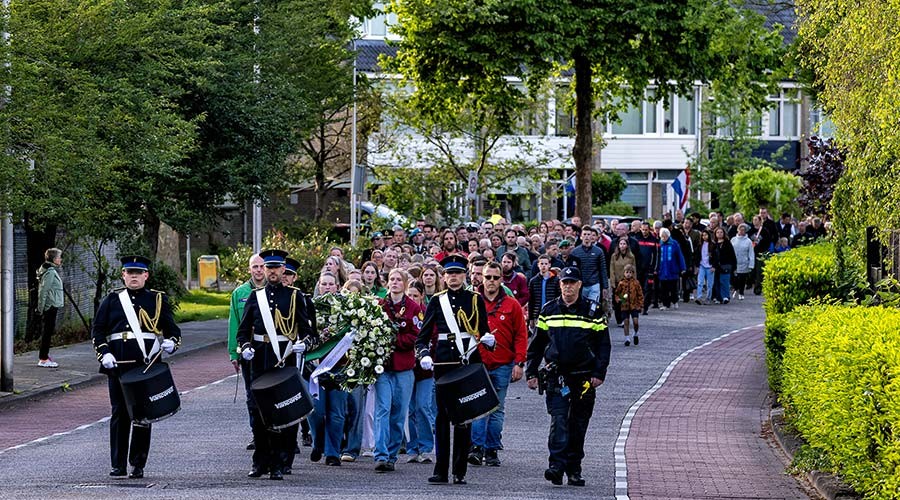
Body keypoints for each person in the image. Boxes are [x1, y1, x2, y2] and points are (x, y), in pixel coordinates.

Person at [91, 256, 181, 479]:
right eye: (129, 272)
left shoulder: (157, 300)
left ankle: (138, 463)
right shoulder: (112, 300)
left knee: (143, 416)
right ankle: (118, 464)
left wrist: (171, 342)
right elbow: (98, 330)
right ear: (123, 275)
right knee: (119, 413)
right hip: (118, 365)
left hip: (145, 364)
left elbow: (172, 330)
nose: (133, 276)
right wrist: (104, 353)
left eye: (138, 273)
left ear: (146, 275)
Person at [526, 266, 610, 487]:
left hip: (583, 378)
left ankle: (574, 469)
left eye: (572, 283)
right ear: (560, 284)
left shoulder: (593, 311)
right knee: (559, 421)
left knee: (578, 424)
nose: (568, 287)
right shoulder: (549, 310)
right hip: (557, 376)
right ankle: (556, 467)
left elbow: (603, 346)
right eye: (565, 283)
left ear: (580, 285)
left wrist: (599, 373)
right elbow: (537, 345)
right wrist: (531, 372)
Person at [237, 249, 316, 480]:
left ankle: (281, 462)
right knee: (259, 410)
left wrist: (304, 343)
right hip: (261, 359)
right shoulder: (255, 296)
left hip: (285, 357)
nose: (272, 272)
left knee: (284, 410)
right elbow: (243, 331)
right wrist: (245, 347)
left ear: (283, 270)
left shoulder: (294, 296)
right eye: (268, 267)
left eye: (276, 268)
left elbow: (307, 330)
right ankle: (260, 461)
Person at [415, 255, 494, 485]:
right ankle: (440, 470)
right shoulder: (437, 301)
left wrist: (489, 340)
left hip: (468, 362)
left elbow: (483, 330)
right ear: (444, 276)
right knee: (442, 417)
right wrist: (424, 355)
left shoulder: (475, 299)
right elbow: (422, 338)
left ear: (465, 275)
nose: (454, 277)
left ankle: (459, 470)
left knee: (464, 417)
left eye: (458, 273)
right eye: (450, 274)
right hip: (444, 363)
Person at [469, 262, 527, 467]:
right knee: (478, 407)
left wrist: (520, 362)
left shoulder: (512, 305)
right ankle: (476, 448)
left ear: (501, 279)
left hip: (503, 363)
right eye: (488, 277)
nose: (491, 281)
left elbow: (521, 335)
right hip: (478, 363)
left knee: (497, 408)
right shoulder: (472, 301)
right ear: (481, 278)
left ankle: (492, 449)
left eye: (495, 277)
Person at [373, 269, 423, 472]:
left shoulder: (413, 307)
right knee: (382, 409)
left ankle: (392, 455)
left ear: (404, 284)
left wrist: (395, 340)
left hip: (403, 366)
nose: (394, 283)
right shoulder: (379, 305)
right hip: (383, 367)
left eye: (398, 280)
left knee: (399, 412)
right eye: (391, 279)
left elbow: (417, 335)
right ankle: (381, 454)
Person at [228, 253, 267, 451]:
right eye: (255, 267)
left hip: (270, 350)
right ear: (249, 269)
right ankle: (256, 434)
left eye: (262, 266)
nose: (259, 270)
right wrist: (234, 353)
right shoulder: (240, 293)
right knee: (251, 394)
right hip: (248, 352)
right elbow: (234, 323)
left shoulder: (273, 290)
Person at [36, 248, 64, 367]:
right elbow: (43, 291)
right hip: (50, 306)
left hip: (51, 305)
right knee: (47, 332)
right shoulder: (50, 272)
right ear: (54, 259)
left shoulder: (47, 269)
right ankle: (43, 359)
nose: (60, 259)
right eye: (59, 257)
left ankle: (45, 356)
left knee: (48, 331)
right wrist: (42, 308)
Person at [657, 228, 686, 310]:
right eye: (662, 236)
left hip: (672, 270)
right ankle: (666, 304)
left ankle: (675, 301)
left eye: (665, 236)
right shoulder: (659, 244)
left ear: (668, 236)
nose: (663, 238)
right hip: (662, 270)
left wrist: (682, 268)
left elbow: (680, 256)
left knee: (673, 288)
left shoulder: (674, 243)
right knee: (663, 289)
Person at [614, 265, 644, 346]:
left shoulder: (636, 283)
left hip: (634, 305)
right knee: (626, 322)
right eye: (627, 272)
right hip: (625, 306)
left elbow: (640, 294)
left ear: (633, 274)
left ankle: (635, 333)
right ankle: (627, 338)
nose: (628, 274)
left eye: (630, 272)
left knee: (635, 322)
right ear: (624, 273)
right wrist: (619, 299)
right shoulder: (621, 283)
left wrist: (640, 305)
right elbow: (617, 293)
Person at [730, 224, 755, 301]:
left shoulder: (748, 241)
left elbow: (751, 253)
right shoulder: (733, 240)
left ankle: (741, 292)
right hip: (734, 262)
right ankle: (735, 288)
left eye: (743, 230)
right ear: (737, 230)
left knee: (742, 279)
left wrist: (751, 264)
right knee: (734, 278)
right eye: (740, 229)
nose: (742, 231)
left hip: (744, 263)